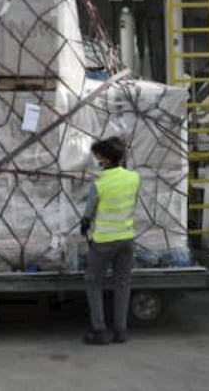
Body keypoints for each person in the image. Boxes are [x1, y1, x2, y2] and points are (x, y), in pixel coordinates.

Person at [79, 137, 139, 346]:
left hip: (104, 241)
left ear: (105, 159)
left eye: (98, 156)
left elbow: (89, 213)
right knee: (122, 284)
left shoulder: (99, 184)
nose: (97, 160)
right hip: (127, 239)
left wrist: (84, 225)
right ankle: (121, 330)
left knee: (93, 282)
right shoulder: (134, 178)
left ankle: (99, 331)